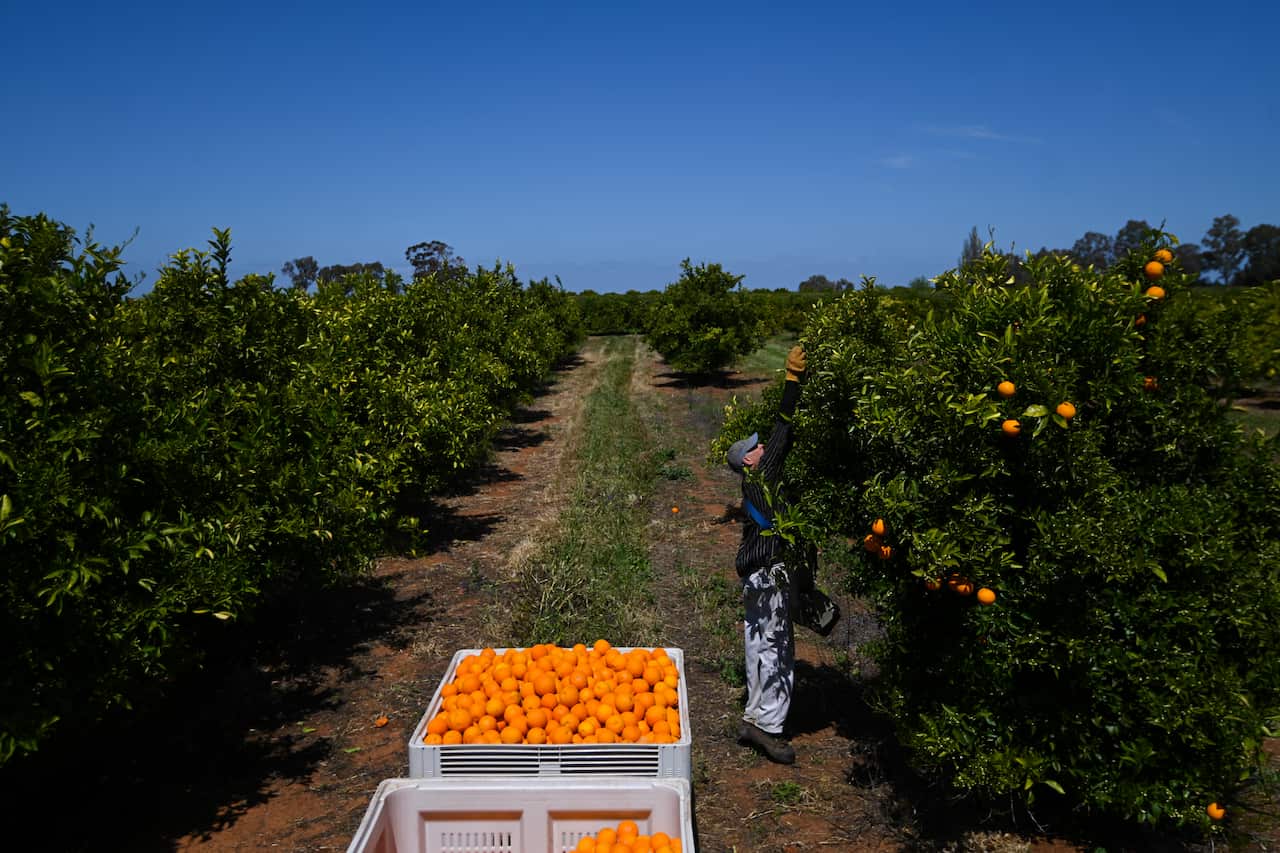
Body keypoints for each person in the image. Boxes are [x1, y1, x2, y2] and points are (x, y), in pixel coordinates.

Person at [724, 343, 808, 764]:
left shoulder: (752, 488)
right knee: (777, 649)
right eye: (754, 448)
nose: (762, 448)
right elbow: (784, 429)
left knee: (757, 646)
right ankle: (770, 730)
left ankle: (753, 717)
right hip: (770, 573)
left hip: (753, 575)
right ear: (750, 462)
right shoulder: (764, 474)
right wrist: (794, 381)